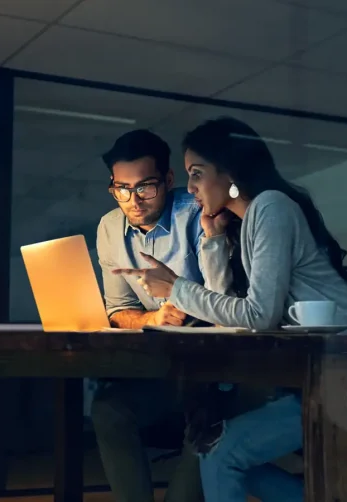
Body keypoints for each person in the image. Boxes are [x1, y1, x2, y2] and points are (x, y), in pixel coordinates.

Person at [112, 116, 347, 502]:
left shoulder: (271, 208)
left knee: (219, 452)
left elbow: (258, 314)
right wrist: (212, 239)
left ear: (229, 171)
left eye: (197, 174)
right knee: (214, 452)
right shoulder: (249, 222)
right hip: (326, 385)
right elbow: (222, 309)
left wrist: (176, 288)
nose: (190, 187)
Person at [92, 129, 235, 502]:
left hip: (214, 373)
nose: (133, 201)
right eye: (121, 189)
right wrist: (151, 320)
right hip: (160, 370)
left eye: (145, 187)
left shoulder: (199, 211)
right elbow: (118, 310)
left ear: (169, 180)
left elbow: (228, 300)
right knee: (108, 409)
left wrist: (184, 301)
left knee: (205, 419)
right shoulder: (109, 228)